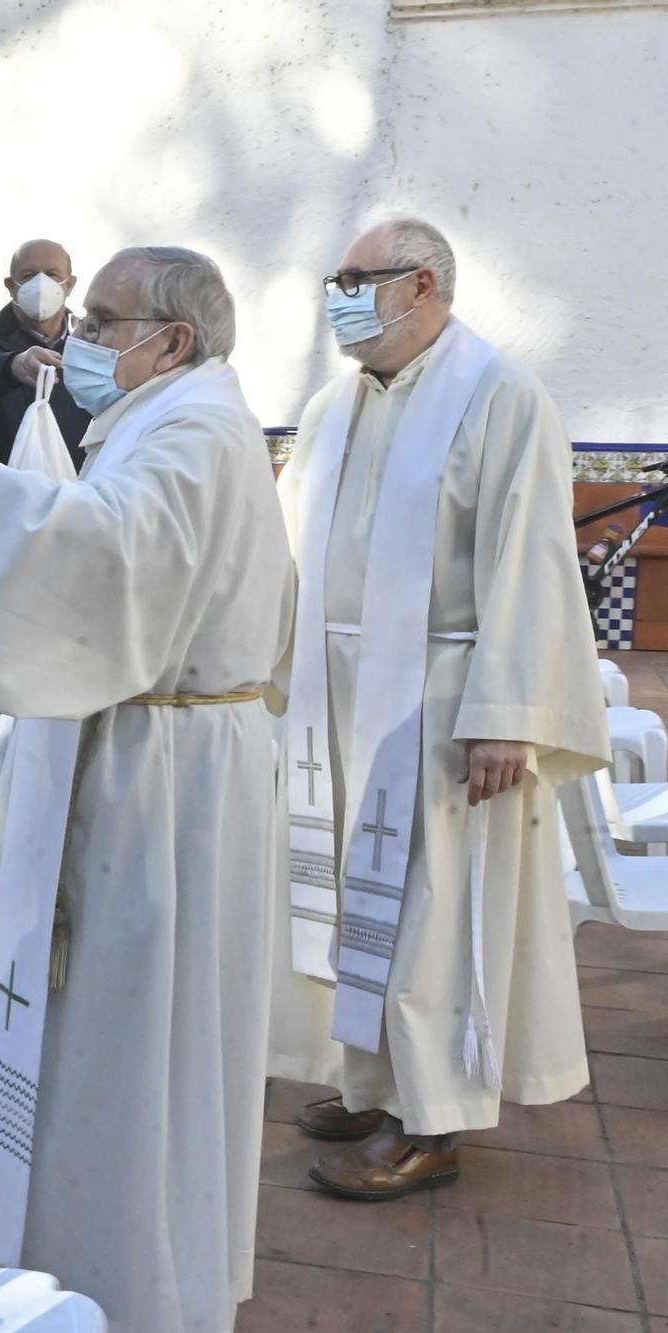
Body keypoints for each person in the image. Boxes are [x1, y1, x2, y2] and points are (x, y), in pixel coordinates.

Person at [0, 247, 293, 1329]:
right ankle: (63, 1246)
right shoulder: (172, 415)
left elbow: (93, 548)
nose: (77, 336)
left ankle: (122, 1276)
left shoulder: (192, 430)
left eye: (101, 319)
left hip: (159, 782)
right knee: (98, 1032)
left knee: (131, 1043)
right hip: (145, 752)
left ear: (170, 339)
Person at [269, 217, 609, 1202]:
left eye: (352, 278)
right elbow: (290, 543)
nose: (334, 294)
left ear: (418, 284)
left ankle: (437, 1119)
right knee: (349, 896)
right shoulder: (335, 404)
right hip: (334, 700)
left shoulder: (497, 395)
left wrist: (506, 711)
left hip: (443, 700)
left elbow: (531, 559)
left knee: (433, 911)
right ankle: (373, 1083)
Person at [0, 239, 93, 836]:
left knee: (60, 652)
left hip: (70, 518)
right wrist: (13, 366)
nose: (40, 285)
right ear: (9, 286)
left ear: (71, 283)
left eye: (52, 274)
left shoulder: (91, 347)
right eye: (28, 275)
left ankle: (53, 779)